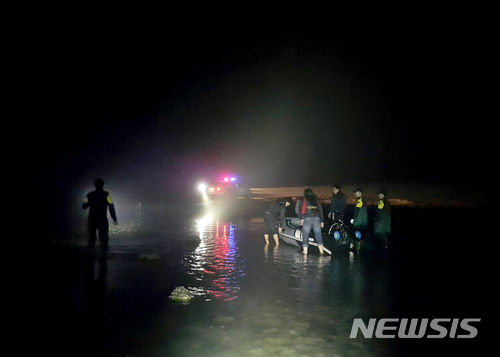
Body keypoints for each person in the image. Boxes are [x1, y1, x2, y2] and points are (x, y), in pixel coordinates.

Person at [83, 178, 117, 253]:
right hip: (102, 219)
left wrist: (86, 201)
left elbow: (84, 207)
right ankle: (103, 255)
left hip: (92, 219)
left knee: (91, 238)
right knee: (104, 238)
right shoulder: (106, 195)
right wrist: (114, 218)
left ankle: (90, 255)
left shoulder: (90, 195)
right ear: (102, 185)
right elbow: (111, 206)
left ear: (95, 185)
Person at [296, 187, 324, 255]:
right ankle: (321, 252)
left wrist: (301, 218)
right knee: (318, 236)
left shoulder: (302, 199)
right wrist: (322, 221)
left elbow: (298, 209)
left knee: (305, 236)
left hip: (307, 219)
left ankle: (305, 252)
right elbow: (320, 210)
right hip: (317, 218)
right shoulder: (316, 199)